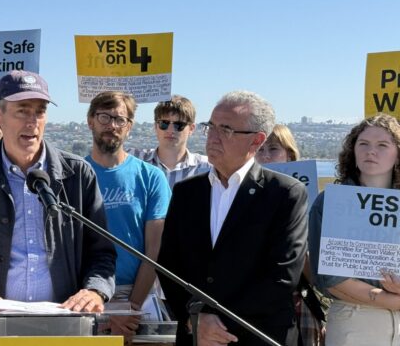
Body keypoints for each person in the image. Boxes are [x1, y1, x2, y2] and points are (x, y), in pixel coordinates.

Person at [0, 70, 117, 339]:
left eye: (40, 111)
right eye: (22, 111)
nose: (32, 122)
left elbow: (102, 255)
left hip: (65, 329)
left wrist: (95, 290)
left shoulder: (78, 175)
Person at [158, 90, 308, 346]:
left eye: (226, 129)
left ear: (256, 141)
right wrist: (194, 319)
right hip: (196, 336)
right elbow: (169, 266)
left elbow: (281, 275)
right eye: (211, 127)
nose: (213, 137)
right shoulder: (186, 192)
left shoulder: (286, 194)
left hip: (257, 336)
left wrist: (216, 321)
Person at [85, 91, 171, 343]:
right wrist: (102, 307)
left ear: (129, 127)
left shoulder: (151, 176)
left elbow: (154, 251)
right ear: (90, 120)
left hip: (139, 295)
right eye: (104, 117)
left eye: (119, 119)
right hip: (87, 296)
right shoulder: (74, 175)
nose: (111, 125)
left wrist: (129, 309)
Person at [308, 113, 400, 346]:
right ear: (353, 151)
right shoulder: (330, 202)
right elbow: (331, 278)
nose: (371, 151)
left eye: (382, 145)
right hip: (355, 320)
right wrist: (392, 300)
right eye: (364, 144)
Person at [257, 124, 325, 346]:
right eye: (260, 149)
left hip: (298, 302)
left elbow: (315, 275)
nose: (266, 156)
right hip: (255, 304)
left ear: (290, 155)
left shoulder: (314, 201)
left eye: (273, 149)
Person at [130, 95, 211, 188]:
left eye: (179, 125)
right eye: (164, 123)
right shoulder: (135, 159)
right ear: (155, 126)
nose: (170, 130)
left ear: (191, 129)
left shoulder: (207, 167)